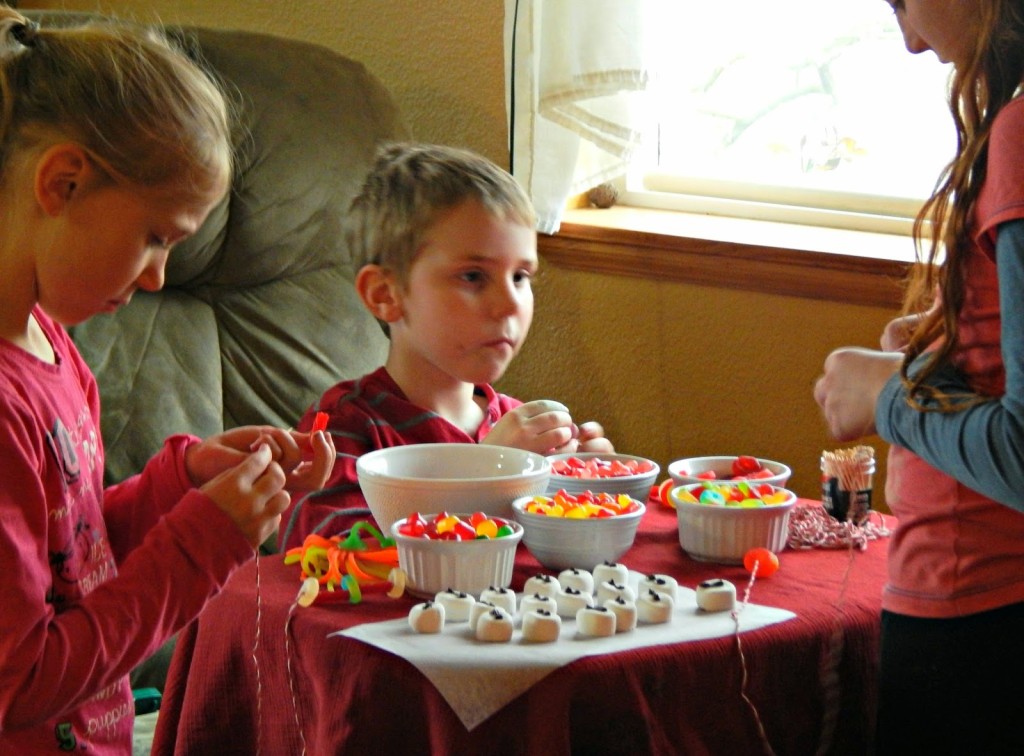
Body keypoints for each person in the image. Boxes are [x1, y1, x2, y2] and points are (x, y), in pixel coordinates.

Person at [0, 9, 335, 753]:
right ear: (63, 181)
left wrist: (177, 488)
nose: (157, 277)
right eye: (155, 237)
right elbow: (20, 681)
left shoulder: (54, 348)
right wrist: (200, 544)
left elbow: (72, 557)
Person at [813, 1, 1024, 752]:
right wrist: (944, 348)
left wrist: (887, 395)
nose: (908, 39)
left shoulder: (1022, 132)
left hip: (980, 615)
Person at [279, 142, 613, 549]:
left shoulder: (513, 424)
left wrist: (584, 494)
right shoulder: (341, 430)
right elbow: (327, 555)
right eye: (473, 276)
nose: (509, 303)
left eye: (521, 277)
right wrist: (484, 472)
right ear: (385, 294)